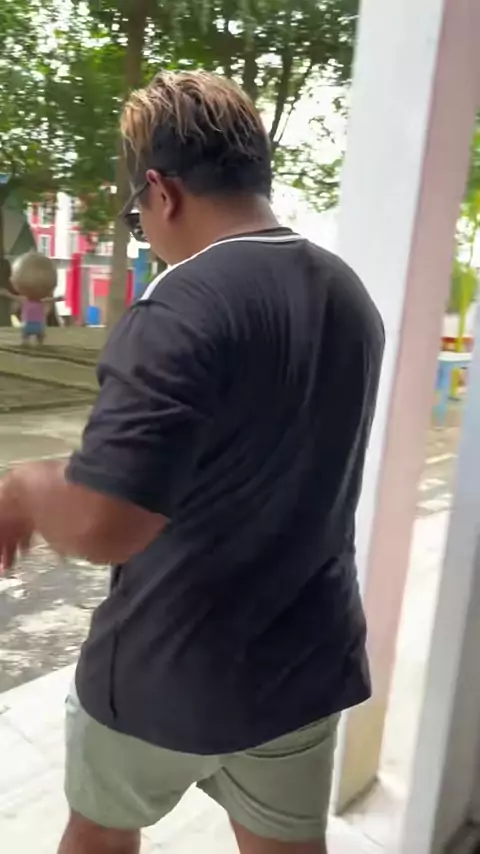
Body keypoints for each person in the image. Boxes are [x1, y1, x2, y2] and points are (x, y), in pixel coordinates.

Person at [0, 71, 384, 854]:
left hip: (167, 667)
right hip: (303, 664)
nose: (145, 231)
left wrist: (27, 486)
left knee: (100, 835)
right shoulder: (350, 297)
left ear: (161, 191)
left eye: (136, 216)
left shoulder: (183, 304)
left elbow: (106, 523)